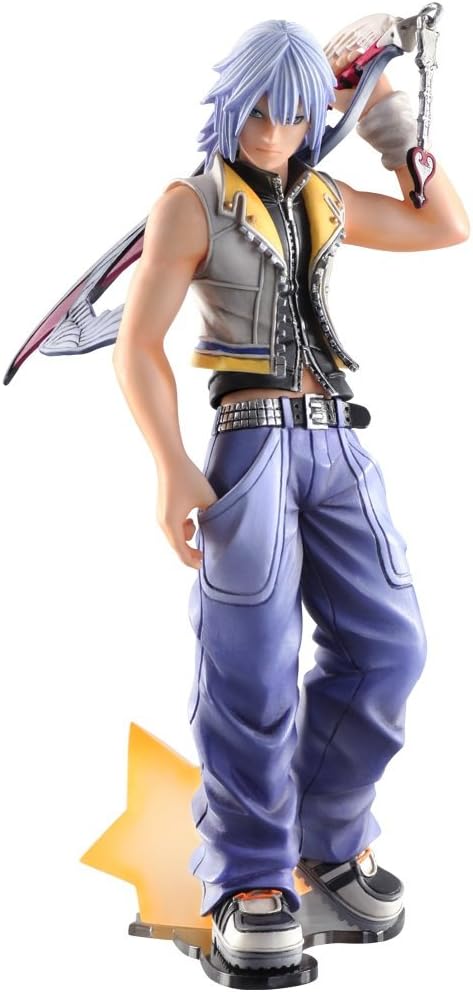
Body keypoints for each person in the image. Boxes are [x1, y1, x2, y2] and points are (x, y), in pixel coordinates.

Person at [111, 19, 469, 974]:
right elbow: (137, 345)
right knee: (249, 673)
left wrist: (390, 126)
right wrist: (170, 465)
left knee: (390, 646)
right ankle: (248, 876)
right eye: (258, 113)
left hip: (338, 442)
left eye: (295, 114)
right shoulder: (189, 205)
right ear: (231, 108)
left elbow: (443, 225)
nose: (272, 133)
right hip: (251, 448)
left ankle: (328, 839)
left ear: (317, 116)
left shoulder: (322, 198)